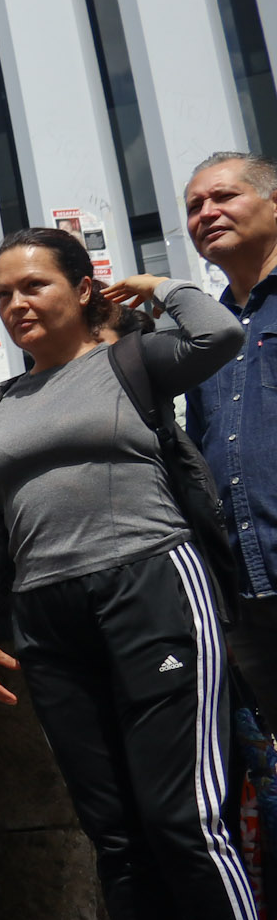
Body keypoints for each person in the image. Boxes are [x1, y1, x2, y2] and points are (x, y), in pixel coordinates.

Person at [0, 228, 277, 920]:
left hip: (152, 586)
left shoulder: (132, 361)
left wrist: (157, 284)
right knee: (116, 831)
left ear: (81, 287)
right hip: (47, 616)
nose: (17, 303)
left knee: (185, 816)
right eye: (4, 292)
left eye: (34, 285)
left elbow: (219, 331)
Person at [181, 152, 277, 727]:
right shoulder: (207, 336)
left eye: (223, 197)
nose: (206, 213)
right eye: (195, 207)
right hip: (246, 590)